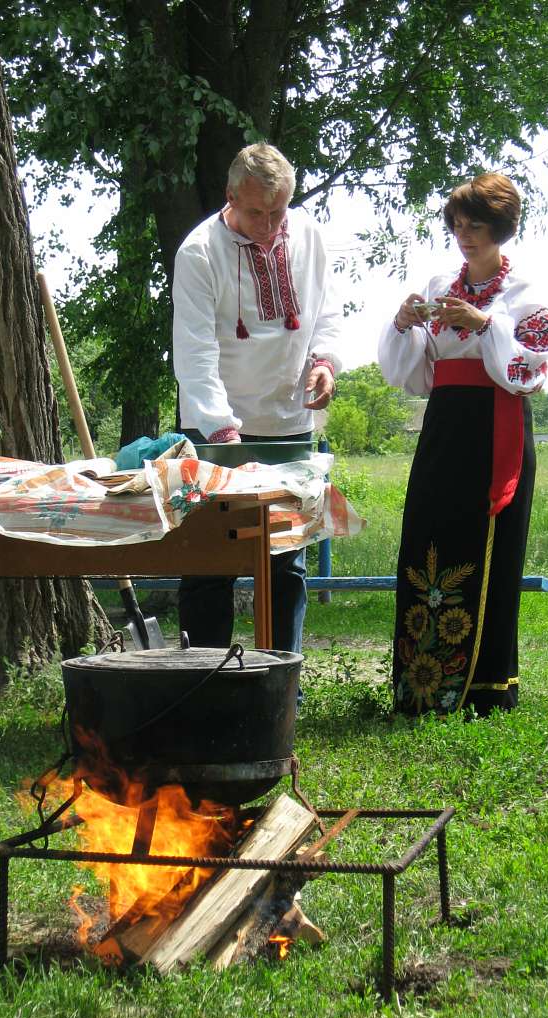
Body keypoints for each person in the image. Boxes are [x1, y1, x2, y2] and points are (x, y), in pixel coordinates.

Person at [378, 172, 548, 716]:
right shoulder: (439, 285)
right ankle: (422, 684)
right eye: (457, 226)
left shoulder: (526, 295)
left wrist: (485, 324)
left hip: (495, 426)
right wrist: (404, 323)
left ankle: (486, 687)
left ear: (500, 228)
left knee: (490, 545)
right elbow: (413, 373)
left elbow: (530, 369)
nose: (464, 236)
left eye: (475, 226)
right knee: (429, 536)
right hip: (444, 426)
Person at [172, 142, 346, 652]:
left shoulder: (309, 235)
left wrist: (324, 363)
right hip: (215, 432)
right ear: (230, 197)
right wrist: (223, 432)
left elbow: (327, 312)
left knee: (285, 564)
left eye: (278, 212)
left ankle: (281, 679)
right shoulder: (199, 252)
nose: (269, 225)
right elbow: (195, 352)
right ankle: (205, 681)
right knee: (209, 562)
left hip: (290, 424)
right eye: (256, 213)